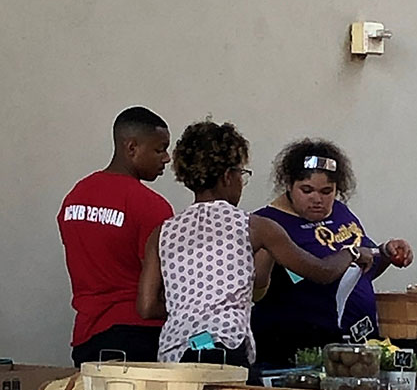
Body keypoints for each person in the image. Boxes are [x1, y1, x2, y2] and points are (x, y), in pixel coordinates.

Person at [137, 121, 373, 368]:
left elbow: (146, 306)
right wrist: (352, 252)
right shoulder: (254, 226)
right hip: (225, 347)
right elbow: (322, 272)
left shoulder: (162, 232)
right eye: (242, 174)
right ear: (228, 176)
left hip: (174, 353)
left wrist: (192, 309)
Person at [250, 139, 413, 368]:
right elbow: (320, 272)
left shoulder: (340, 213)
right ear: (288, 184)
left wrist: (386, 252)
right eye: (307, 190)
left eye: (327, 191)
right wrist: (353, 253)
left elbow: (361, 269)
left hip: (360, 342)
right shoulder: (268, 225)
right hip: (301, 349)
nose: (317, 199)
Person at [58, 106, 173, 365]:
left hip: (86, 337)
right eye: (160, 149)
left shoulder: (75, 197)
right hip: (138, 333)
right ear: (131, 147)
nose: (166, 158)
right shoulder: (150, 205)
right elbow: (163, 281)